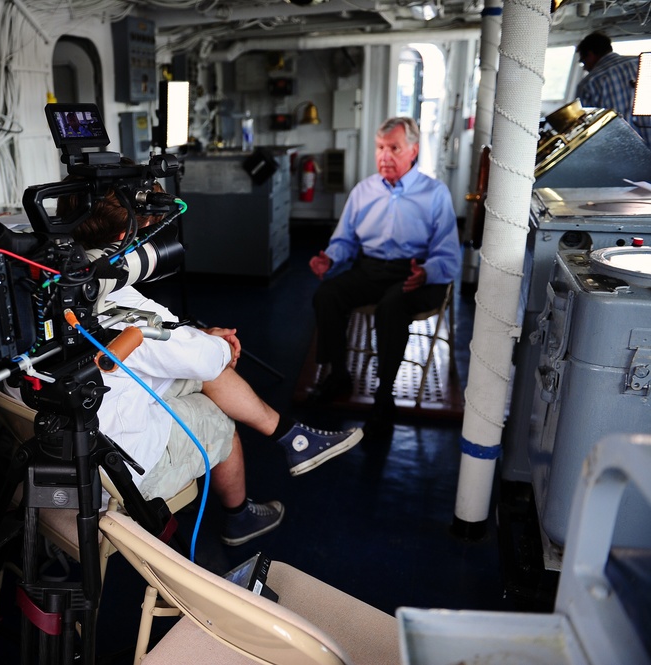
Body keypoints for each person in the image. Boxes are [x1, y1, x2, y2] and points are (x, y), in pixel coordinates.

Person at [57, 182, 363, 547]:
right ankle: (240, 518)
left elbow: (172, 342)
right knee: (217, 415)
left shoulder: (55, 284)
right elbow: (199, 358)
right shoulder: (114, 305)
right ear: (125, 238)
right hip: (120, 473)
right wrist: (215, 343)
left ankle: (291, 437)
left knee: (204, 368)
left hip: (77, 434)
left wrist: (199, 338)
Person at [308, 116, 460, 441]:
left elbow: (448, 256)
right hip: (371, 269)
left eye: (394, 148)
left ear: (413, 151)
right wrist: (330, 259)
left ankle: (384, 394)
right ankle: (338, 374)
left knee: (391, 307)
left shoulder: (435, 194)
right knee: (328, 294)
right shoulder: (364, 191)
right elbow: (345, 241)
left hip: (415, 275)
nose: (384, 156)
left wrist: (426, 272)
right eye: (380, 147)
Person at [575, 31, 651, 146]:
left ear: (590, 54)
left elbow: (589, 128)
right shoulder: (642, 62)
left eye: (583, 61)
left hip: (626, 152)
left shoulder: (589, 83)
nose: (585, 67)